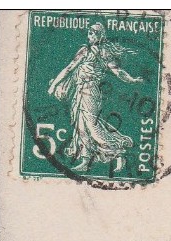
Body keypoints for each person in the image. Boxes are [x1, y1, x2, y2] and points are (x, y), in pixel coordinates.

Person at [47, 23, 143, 171]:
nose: (90, 36)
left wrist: (132, 80)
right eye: (89, 33)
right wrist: (54, 85)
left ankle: (119, 154)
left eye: (93, 34)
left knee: (93, 128)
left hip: (91, 92)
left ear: (100, 35)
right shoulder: (84, 51)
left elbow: (118, 71)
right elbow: (69, 68)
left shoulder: (105, 53)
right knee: (80, 128)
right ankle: (85, 161)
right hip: (79, 92)